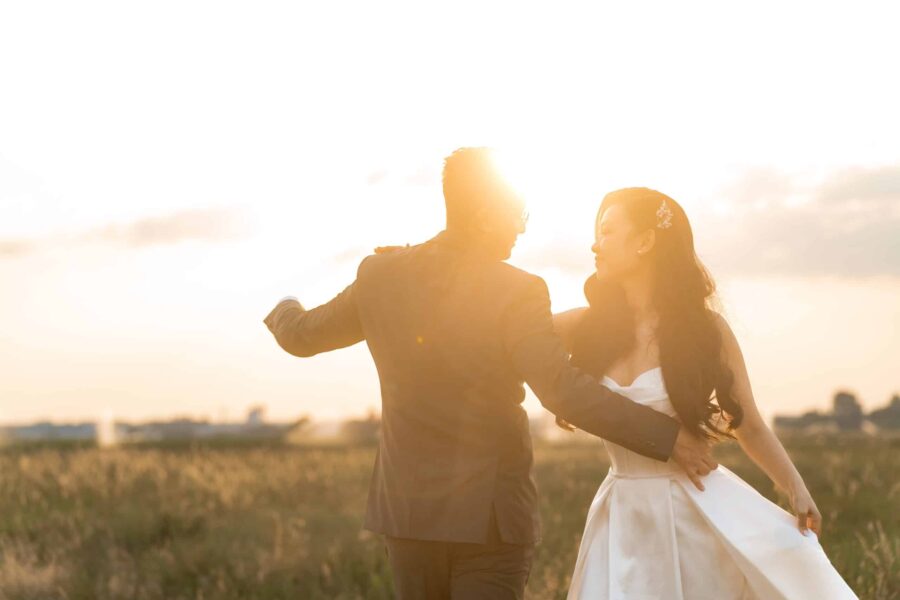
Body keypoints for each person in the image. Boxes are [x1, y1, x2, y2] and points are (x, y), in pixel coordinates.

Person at [262, 148, 714, 599]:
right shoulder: (518, 291)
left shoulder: (380, 275)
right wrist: (670, 437)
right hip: (491, 523)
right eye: (516, 214)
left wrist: (283, 304)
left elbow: (301, 336)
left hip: (407, 519)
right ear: (481, 216)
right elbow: (561, 390)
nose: (521, 227)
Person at [555, 187, 857, 599]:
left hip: (693, 508)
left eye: (607, 230)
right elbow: (510, 337)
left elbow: (747, 422)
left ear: (645, 241)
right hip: (618, 513)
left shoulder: (706, 330)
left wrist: (796, 488)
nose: (595, 243)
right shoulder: (585, 326)